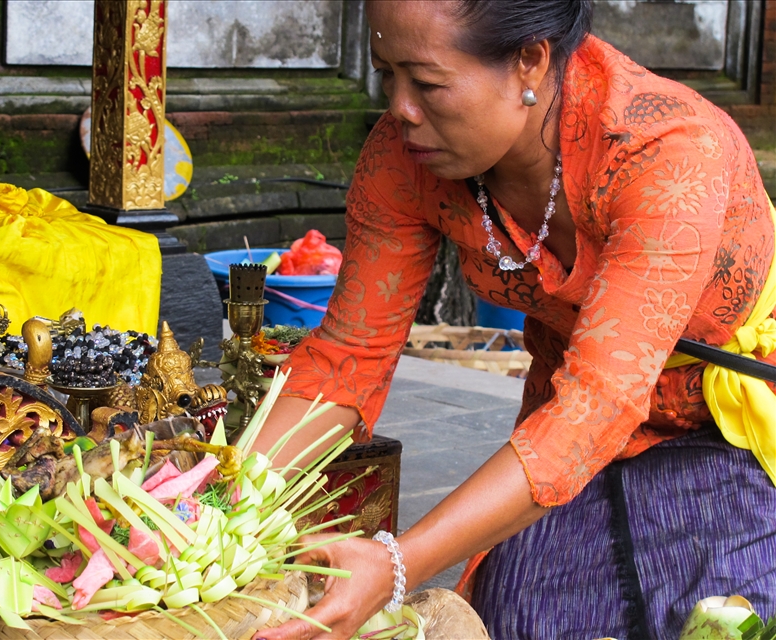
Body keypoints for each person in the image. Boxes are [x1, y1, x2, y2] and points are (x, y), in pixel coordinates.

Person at [250, 1, 776, 638]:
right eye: (385, 73)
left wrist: (397, 563)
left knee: (716, 618)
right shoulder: (402, 158)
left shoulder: (661, 149)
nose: (399, 108)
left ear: (530, 60)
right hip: (569, 411)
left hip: (728, 418)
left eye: (427, 82)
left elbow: (602, 400)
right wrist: (218, 496)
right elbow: (347, 357)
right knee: (519, 615)